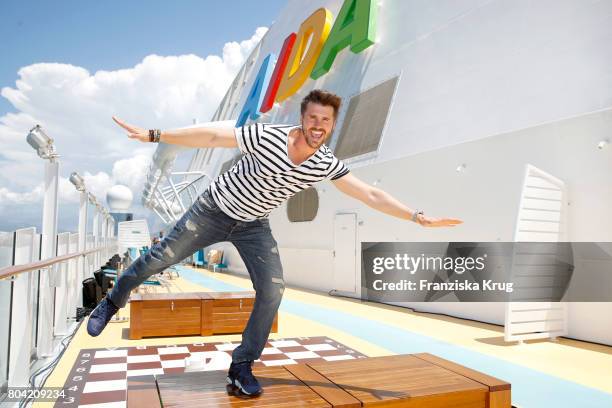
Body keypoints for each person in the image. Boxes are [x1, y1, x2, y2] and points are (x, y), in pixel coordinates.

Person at [87, 89, 462, 396]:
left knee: (273, 291)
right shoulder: (268, 136)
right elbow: (214, 137)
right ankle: (113, 299)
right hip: (212, 210)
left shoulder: (325, 163)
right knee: (157, 259)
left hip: (253, 225)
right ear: (303, 117)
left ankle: (242, 365)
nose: (318, 126)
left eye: (325, 121)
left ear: (332, 125)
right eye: (313, 118)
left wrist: (416, 216)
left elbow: (368, 195)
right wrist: (155, 134)